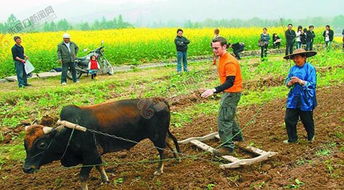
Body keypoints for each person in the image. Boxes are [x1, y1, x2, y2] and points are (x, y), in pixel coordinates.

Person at [201, 36, 243, 155]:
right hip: (229, 91)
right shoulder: (222, 58)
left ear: (224, 46)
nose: (214, 51)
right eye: (213, 48)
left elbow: (230, 82)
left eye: (216, 48)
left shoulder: (229, 61)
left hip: (232, 92)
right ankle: (237, 137)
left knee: (223, 118)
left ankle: (227, 147)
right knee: (228, 115)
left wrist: (214, 90)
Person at [283, 48, 317, 144]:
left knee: (306, 119)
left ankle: (311, 136)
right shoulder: (292, 69)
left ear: (304, 57)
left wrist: (300, 81)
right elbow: (287, 81)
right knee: (289, 118)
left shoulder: (310, 68)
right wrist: (289, 83)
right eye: (294, 58)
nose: (295, 60)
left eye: (297, 57)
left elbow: (312, 84)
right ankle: (292, 139)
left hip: (306, 98)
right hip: (293, 98)